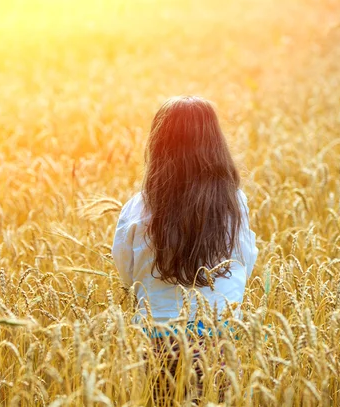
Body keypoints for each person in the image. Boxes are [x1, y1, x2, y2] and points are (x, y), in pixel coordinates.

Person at [111, 96, 259, 401]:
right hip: (219, 336)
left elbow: (127, 274)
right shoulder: (234, 205)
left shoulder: (138, 209)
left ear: (158, 146)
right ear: (215, 146)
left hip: (158, 338)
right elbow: (245, 263)